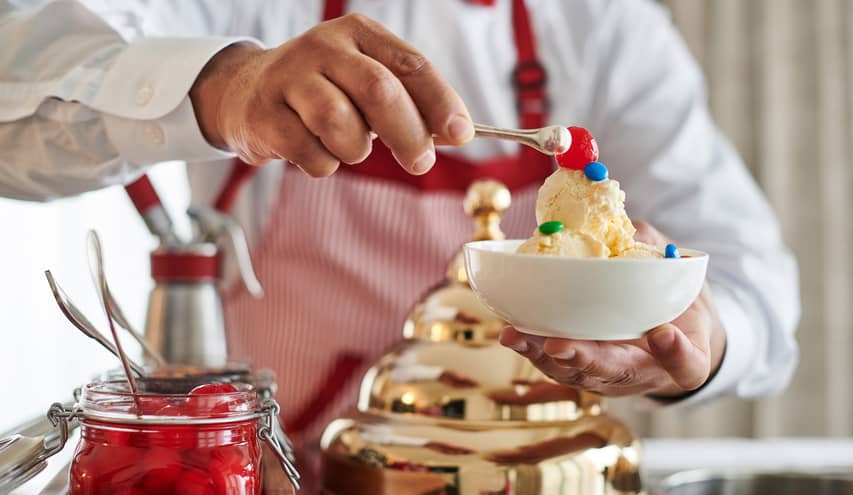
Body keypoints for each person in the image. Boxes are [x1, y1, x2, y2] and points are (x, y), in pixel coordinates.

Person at [0, 0, 800, 487]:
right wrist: (224, 85)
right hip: (287, 476)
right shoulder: (249, 7)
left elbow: (754, 286)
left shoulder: (608, 28)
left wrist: (701, 335)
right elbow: (17, 103)